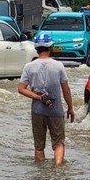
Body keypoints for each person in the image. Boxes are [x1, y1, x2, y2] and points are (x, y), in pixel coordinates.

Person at [17, 36, 74, 165]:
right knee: (59, 143)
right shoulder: (59, 66)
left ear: (37, 49)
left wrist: (38, 97)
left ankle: (41, 173)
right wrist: (70, 107)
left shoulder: (29, 66)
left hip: (37, 110)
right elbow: (66, 90)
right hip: (56, 110)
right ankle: (58, 170)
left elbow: (21, 89)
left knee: (39, 146)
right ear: (50, 48)